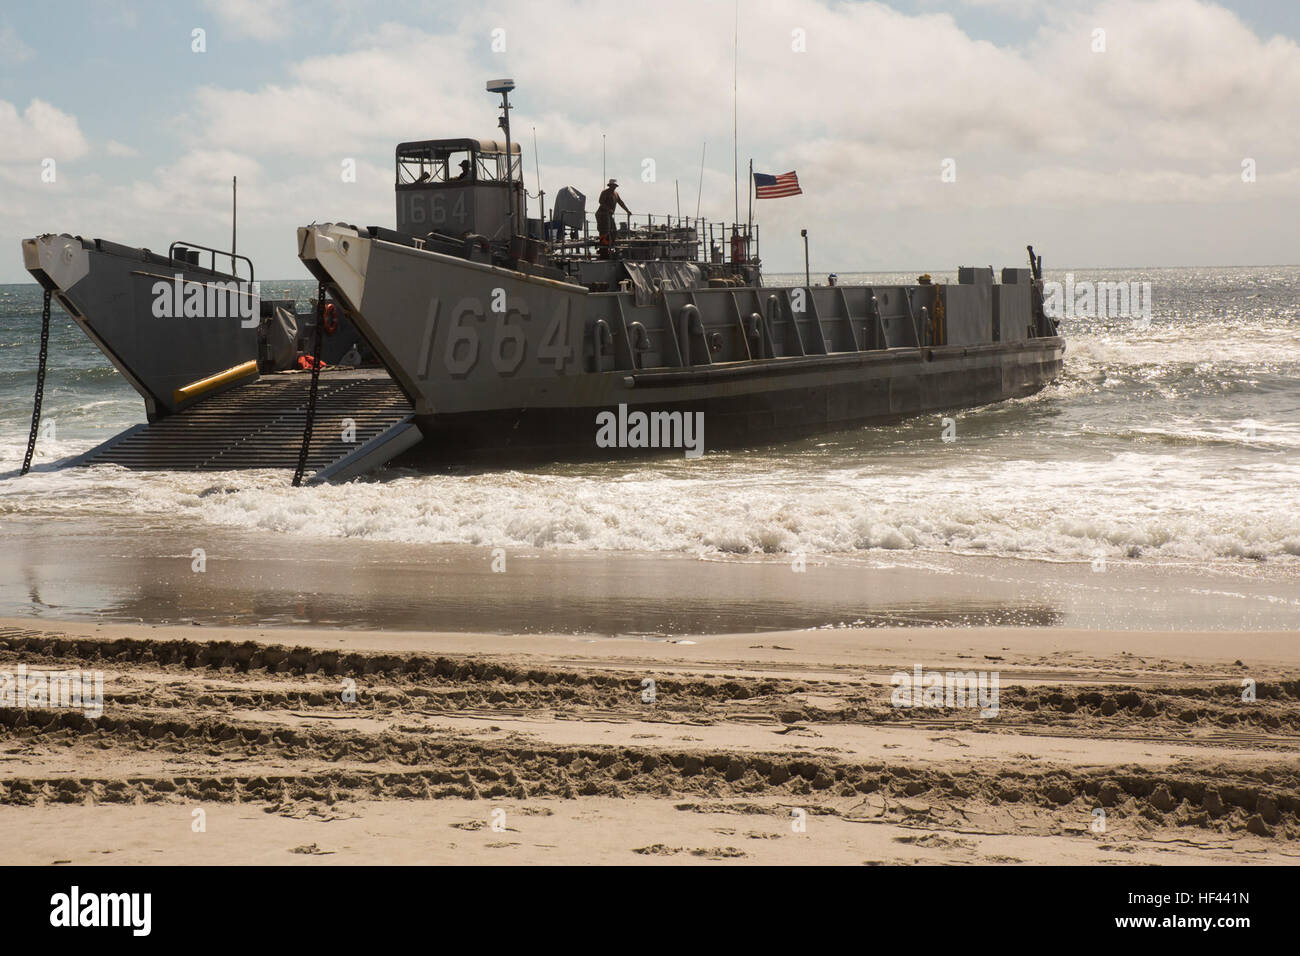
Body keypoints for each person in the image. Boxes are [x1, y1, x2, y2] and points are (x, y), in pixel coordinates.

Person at [596, 178, 630, 254]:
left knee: (613, 231)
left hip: (609, 215)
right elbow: (601, 202)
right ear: (610, 185)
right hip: (602, 214)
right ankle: (603, 249)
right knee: (604, 231)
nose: (613, 187)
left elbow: (621, 202)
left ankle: (610, 245)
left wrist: (627, 211)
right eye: (612, 185)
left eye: (614, 186)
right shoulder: (605, 192)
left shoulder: (616, 194)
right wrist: (608, 209)